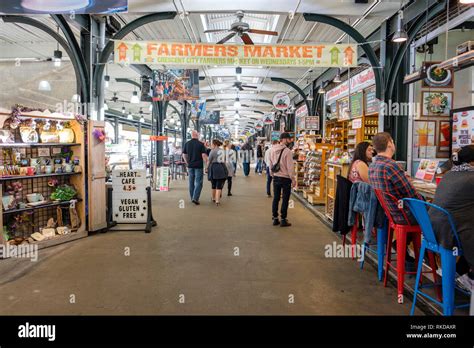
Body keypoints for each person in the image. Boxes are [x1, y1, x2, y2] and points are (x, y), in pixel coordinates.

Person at [429, 145, 474, 290]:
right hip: (450, 235)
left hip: (433, 231)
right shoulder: (471, 178)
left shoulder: (449, 175)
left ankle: (461, 273)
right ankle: (468, 276)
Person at [368, 132, 423, 225]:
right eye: (393, 142)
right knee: (440, 213)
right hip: (405, 215)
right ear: (389, 144)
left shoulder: (372, 166)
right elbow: (411, 194)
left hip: (391, 214)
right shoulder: (390, 166)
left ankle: (404, 239)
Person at [268, 133, 295, 227]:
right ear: (284, 139)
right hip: (286, 178)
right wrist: (293, 179)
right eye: (289, 139)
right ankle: (283, 219)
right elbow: (290, 167)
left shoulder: (272, 150)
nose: (290, 141)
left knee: (276, 198)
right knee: (285, 199)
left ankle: (275, 218)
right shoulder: (287, 151)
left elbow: (270, 164)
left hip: (276, 177)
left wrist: (272, 174)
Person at [182, 130, 208, 205]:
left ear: (191, 135)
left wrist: (187, 163)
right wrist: (206, 165)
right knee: (198, 182)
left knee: (191, 182)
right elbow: (203, 155)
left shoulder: (187, 144)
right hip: (199, 166)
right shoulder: (200, 144)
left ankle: (192, 197)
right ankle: (195, 198)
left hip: (190, 165)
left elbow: (184, 155)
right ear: (197, 135)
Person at [206, 139, 228, 206]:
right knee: (219, 184)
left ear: (215, 144)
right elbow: (224, 160)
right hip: (221, 167)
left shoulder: (212, 151)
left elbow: (209, 161)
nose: (211, 145)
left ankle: (213, 198)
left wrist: (206, 168)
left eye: (212, 144)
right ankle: (217, 200)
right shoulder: (222, 151)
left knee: (213, 184)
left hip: (213, 168)